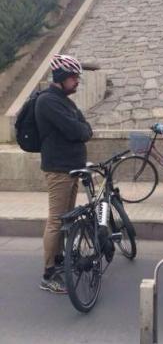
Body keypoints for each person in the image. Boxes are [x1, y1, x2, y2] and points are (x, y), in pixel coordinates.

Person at [35, 54, 93, 294]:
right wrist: (81, 129)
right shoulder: (48, 101)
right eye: (73, 77)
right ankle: (48, 274)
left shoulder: (64, 101)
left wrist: (81, 129)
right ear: (61, 77)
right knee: (57, 221)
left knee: (65, 220)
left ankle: (59, 261)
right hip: (59, 170)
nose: (77, 81)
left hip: (70, 169)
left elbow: (85, 128)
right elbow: (75, 130)